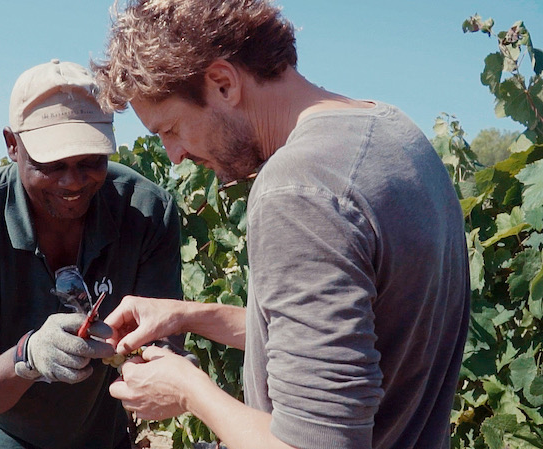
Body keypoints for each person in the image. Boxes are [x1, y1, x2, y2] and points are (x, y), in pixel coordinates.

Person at [92, 1, 470, 449]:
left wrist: (188, 391)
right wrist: (189, 317)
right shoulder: (394, 133)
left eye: (170, 129)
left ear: (222, 83)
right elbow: (346, 338)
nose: (174, 157)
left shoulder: (298, 189)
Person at [0, 59, 183, 449]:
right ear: (12, 145)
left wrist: (166, 368)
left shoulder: (145, 212)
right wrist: (26, 357)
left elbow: (161, 338)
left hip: (103, 434)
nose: (73, 181)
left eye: (91, 161)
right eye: (52, 164)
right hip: (5, 436)